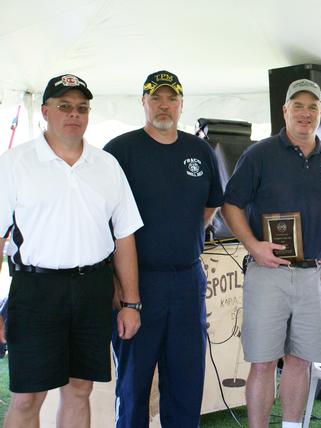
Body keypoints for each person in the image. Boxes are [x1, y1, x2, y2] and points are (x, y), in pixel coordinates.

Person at [0, 74, 143, 428]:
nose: (73, 114)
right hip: (35, 291)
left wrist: (131, 304)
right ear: (45, 111)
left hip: (92, 288)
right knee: (27, 396)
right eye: (64, 106)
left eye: (81, 108)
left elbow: (125, 237)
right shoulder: (15, 164)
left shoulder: (106, 165)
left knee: (80, 388)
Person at [222, 78, 321, 428]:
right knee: (262, 362)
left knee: (301, 360)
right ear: (285, 110)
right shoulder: (260, 154)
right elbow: (231, 206)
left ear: (320, 112)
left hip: (315, 275)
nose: (305, 113)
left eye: (313, 107)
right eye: (298, 106)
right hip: (268, 274)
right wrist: (253, 246)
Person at [104, 70, 224, 427]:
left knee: (186, 383)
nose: (164, 105)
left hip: (187, 282)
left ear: (182, 104)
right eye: (156, 97)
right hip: (137, 285)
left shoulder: (199, 151)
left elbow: (209, 205)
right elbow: (103, 220)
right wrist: (122, 289)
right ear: (143, 102)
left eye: (171, 98)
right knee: (133, 386)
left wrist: (181, 237)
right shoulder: (119, 151)